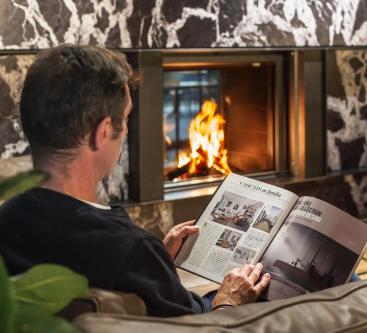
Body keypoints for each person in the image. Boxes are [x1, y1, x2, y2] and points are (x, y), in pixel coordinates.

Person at [0, 44, 270, 317]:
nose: (126, 128)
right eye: (125, 118)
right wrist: (228, 303)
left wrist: (155, 265)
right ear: (103, 132)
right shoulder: (129, 248)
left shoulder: (8, 220)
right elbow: (196, 325)